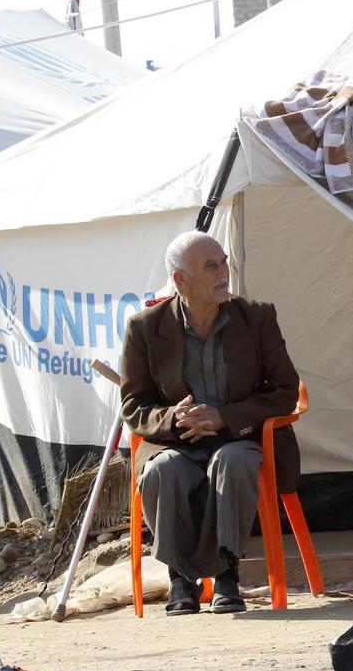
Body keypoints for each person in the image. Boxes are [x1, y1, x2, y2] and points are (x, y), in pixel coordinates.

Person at [120, 231, 300, 614]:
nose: (223, 274)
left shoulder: (256, 317)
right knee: (162, 471)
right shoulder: (145, 328)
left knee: (231, 463)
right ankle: (180, 581)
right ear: (180, 280)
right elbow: (134, 405)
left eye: (223, 263)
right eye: (210, 266)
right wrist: (174, 419)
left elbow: (285, 391)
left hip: (238, 438)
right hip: (176, 442)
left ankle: (226, 577)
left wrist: (224, 417)